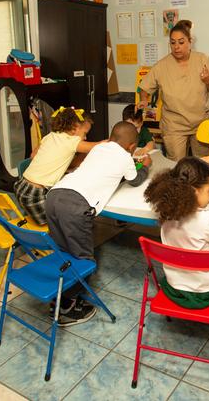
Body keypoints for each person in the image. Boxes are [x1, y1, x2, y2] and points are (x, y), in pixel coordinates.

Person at [44, 122, 152, 325]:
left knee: (62, 252)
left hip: (54, 196)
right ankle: (66, 308)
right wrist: (145, 166)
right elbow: (135, 180)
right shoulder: (124, 157)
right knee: (83, 258)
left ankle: (59, 295)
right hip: (75, 207)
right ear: (131, 146)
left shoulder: (99, 148)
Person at [143, 157, 209, 309]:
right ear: (194, 191)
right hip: (205, 291)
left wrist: (197, 165)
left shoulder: (167, 212)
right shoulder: (204, 220)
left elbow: (177, 176)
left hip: (174, 287)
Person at [138, 20, 209, 160]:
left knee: (204, 163)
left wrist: (208, 81)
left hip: (202, 121)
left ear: (190, 41)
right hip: (174, 125)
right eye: (173, 42)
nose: (176, 47)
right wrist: (144, 100)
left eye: (181, 42)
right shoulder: (161, 66)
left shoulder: (203, 59)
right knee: (176, 164)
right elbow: (144, 87)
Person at [14, 107, 101, 225]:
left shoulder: (50, 136)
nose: (85, 138)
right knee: (72, 218)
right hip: (36, 195)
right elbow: (98, 146)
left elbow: (33, 155)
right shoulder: (72, 141)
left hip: (21, 186)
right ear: (75, 128)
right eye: (85, 133)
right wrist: (117, 140)